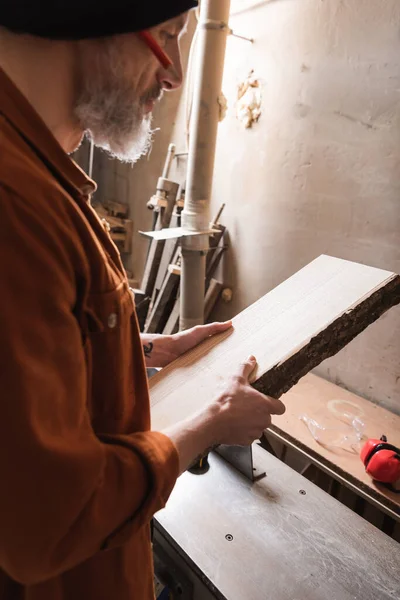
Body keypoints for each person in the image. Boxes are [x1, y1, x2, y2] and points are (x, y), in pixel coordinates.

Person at [0, 2, 286, 599]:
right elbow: (52, 521)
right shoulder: (14, 204)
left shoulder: (40, 168)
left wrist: (140, 349)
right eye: (166, 34)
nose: (175, 72)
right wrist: (211, 425)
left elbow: (43, 345)